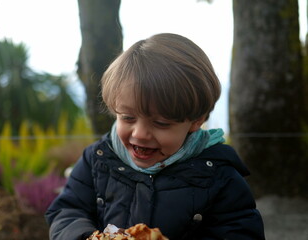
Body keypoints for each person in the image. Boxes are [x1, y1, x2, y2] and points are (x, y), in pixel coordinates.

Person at [45, 33, 265, 240]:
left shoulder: (218, 175)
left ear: (196, 120)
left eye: (161, 123)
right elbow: (67, 210)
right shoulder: (99, 159)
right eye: (128, 117)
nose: (139, 134)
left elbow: (241, 232)